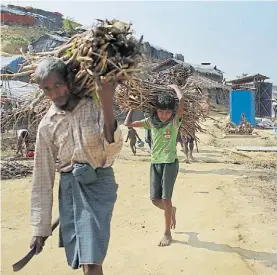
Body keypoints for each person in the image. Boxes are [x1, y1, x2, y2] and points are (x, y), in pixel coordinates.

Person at [29, 57, 123, 275]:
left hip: (99, 184)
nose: (54, 94)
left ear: (69, 81)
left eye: (58, 85)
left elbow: (113, 150)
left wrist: (107, 104)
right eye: (47, 89)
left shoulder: (93, 107)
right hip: (70, 190)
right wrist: (40, 227)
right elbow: (42, 178)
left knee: (91, 260)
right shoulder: (47, 125)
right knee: (83, 256)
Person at [124, 84, 184, 247]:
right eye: (161, 111)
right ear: (155, 110)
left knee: (166, 198)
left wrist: (176, 89)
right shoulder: (150, 122)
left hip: (170, 163)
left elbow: (181, 102)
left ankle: (167, 233)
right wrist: (133, 107)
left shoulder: (174, 123)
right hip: (155, 163)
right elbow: (127, 124)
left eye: (167, 112)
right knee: (154, 200)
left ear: (172, 112)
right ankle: (171, 210)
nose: (164, 115)